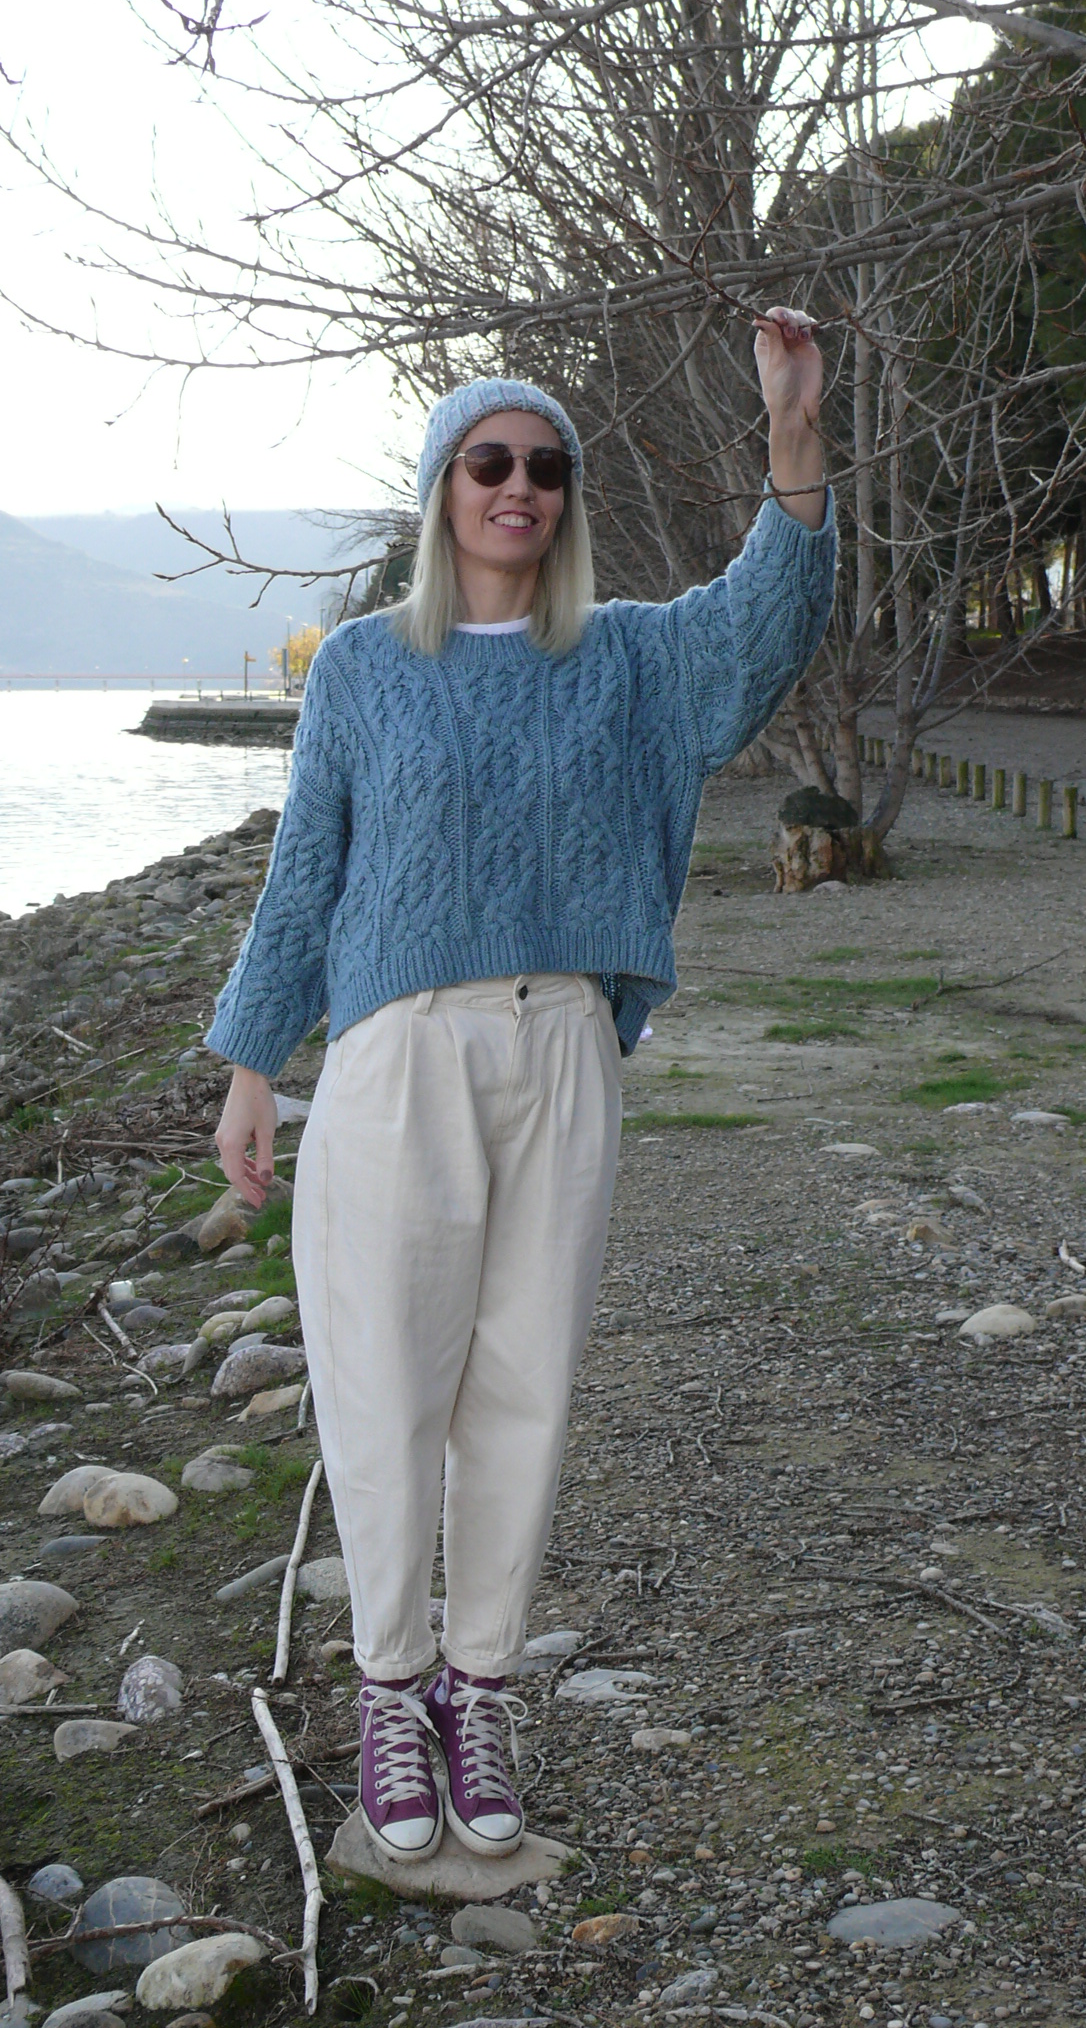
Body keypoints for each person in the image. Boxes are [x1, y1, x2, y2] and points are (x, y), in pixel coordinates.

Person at [208, 308, 835, 1864]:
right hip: (397, 1058)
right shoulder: (365, 668)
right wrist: (250, 1062)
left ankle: (477, 1690)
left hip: (561, 1045)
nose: (519, 489)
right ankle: (389, 1692)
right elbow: (307, 872)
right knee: (383, 1386)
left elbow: (767, 621)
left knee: (524, 1387)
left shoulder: (624, 659)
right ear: (443, 487)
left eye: (546, 468)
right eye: (488, 463)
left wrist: (793, 436)